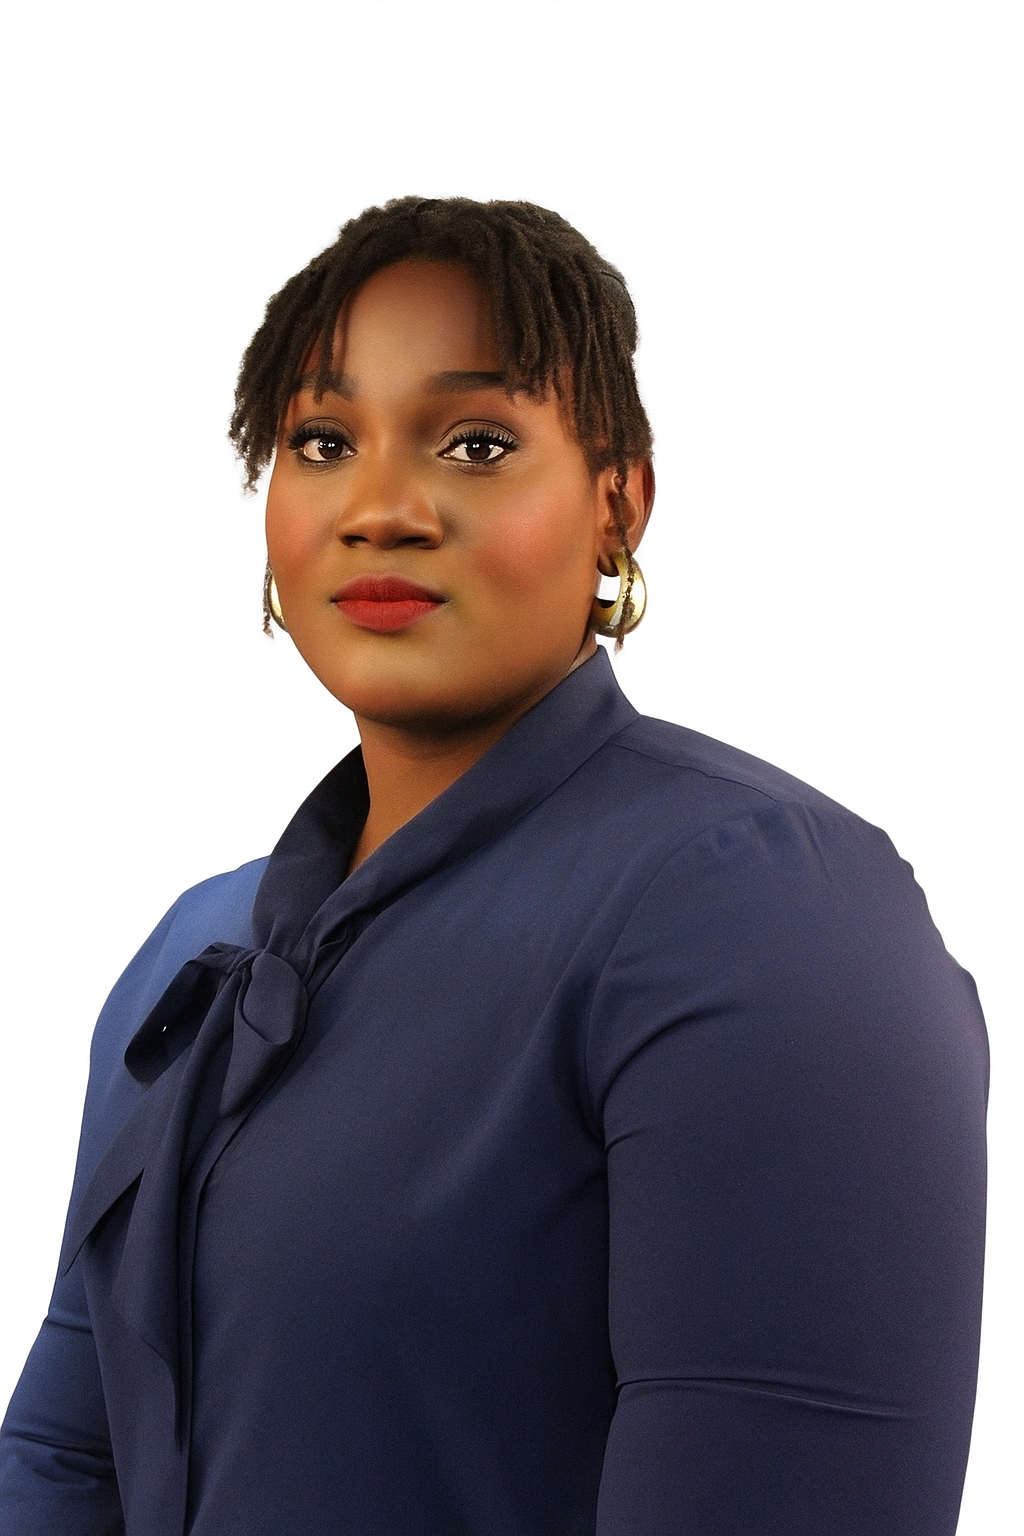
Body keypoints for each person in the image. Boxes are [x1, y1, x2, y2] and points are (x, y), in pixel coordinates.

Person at [0, 197, 987, 1536]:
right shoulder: (194, 951)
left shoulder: (762, 913)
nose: (382, 508)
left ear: (617, 504)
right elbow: (63, 1460)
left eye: (474, 442)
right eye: (323, 442)